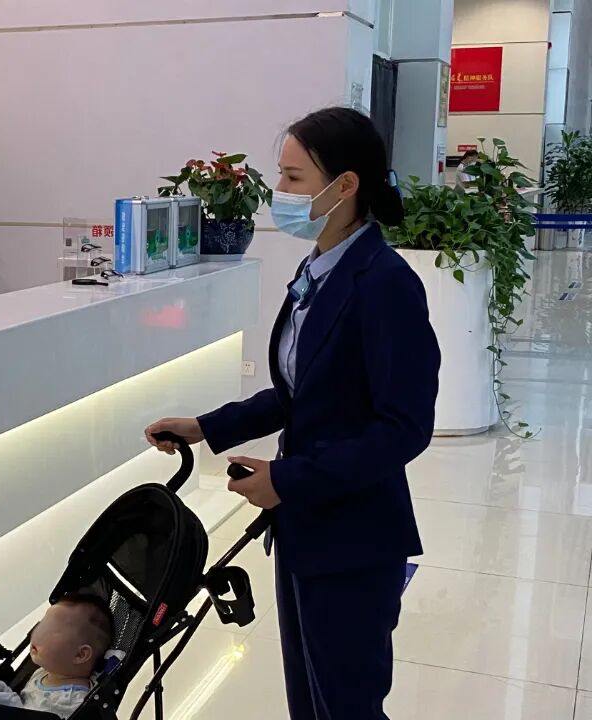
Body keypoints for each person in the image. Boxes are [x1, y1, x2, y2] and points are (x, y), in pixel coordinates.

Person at [145, 107, 440, 720]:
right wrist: (206, 427)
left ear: (346, 185)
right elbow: (299, 393)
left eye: (294, 178)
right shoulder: (319, 269)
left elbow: (404, 428)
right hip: (306, 526)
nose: (278, 192)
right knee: (309, 700)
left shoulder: (385, 283)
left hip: (354, 536)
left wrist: (288, 479)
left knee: (346, 706)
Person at [0, 595, 114, 719]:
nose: (38, 633)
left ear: (80, 655)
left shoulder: (73, 702)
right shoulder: (45, 672)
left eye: (51, 630)